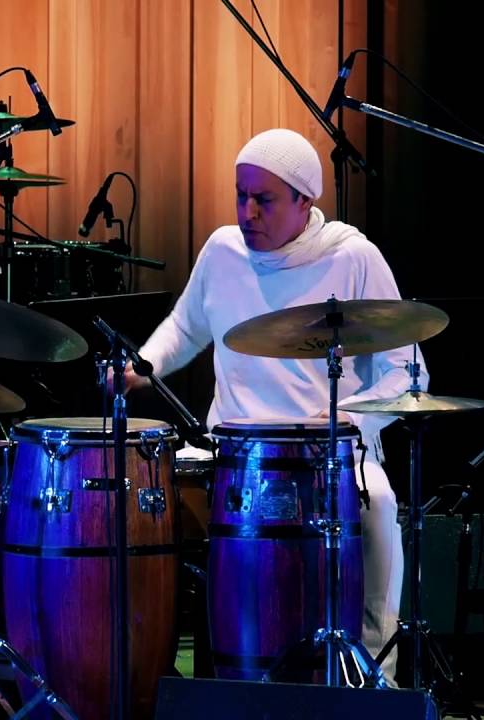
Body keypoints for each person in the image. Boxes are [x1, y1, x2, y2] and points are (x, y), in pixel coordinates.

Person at [128, 128, 426, 682]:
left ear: (304, 200)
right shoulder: (222, 251)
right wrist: (142, 365)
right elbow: (185, 327)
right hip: (235, 455)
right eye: (240, 195)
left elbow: (408, 373)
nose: (247, 212)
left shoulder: (352, 256)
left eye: (263, 199)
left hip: (334, 454)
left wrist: (349, 421)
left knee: (380, 506)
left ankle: (375, 675)